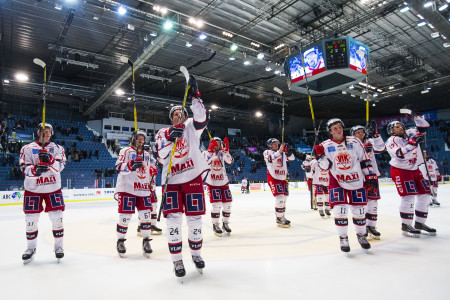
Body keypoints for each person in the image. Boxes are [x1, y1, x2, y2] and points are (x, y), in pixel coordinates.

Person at [156, 77, 209, 278]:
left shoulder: (191, 127)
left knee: (195, 220)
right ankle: (177, 260)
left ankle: (196, 254)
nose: (179, 116)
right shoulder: (162, 133)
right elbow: (161, 156)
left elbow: (202, 117)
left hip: (192, 178)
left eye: (182, 113)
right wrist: (171, 137)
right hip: (171, 182)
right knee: (173, 222)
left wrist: (196, 95)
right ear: (171, 118)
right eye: (176, 114)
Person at [314, 118, 375, 253]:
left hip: (357, 180)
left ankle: (361, 235)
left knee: (359, 211)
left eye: (340, 127)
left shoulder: (355, 141)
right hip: (337, 181)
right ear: (330, 131)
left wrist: (369, 176)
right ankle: (343, 238)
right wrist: (320, 156)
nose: (338, 129)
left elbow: (364, 160)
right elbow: (325, 167)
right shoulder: (325, 145)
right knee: (339, 211)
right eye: (335, 128)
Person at [19, 123, 67, 263]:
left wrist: (50, 160)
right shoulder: (27, 148)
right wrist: (35, 170)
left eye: (48, 132)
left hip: (53, 188)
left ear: (51, 134)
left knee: (57, 220)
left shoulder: (58, 149)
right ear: (37, 133)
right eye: (43, 131)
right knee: (31, 222)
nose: (46, 134)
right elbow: (23, 166)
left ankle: (59, 247)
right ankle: (30, 249)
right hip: (33, 189)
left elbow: (60, 167)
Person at [385, 108, 436, 237]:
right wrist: (412, 143)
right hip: (400, 170)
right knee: (408, 196)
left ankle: (419, 223)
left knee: (425, 194)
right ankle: (406, 225)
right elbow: (399, 154)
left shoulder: (410, 133)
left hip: (414, 169)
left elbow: (424, 127)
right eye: (396, 127)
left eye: (400, 125)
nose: (400, 127)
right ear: (391, 130)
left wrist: (415, 116)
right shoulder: (391, 141)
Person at [114, 131, 157, 258]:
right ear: (133, 139)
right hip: (128, 188)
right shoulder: (126, 151)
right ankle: (120, 241)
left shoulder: (146, 155)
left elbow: (146, 171)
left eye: (143, 138)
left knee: (146, 216)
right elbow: (117, 167)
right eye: (138, 138)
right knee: (125, 217)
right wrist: (130, 165)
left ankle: (146, 241)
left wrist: (151, 171)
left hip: (143, 189)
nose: (140, 140)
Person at [350, 123, 386, 240]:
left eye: (362, 131)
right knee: (362, 203)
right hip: (358, 177)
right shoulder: (350, 144)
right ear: (353, 135)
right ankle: (363, 226)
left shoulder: (370, 141)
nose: (361, 133)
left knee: (373, 202)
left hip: (372, 175)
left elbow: (381, 148)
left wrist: (375, 135)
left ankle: (372, 226)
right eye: (358, 132)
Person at [202, 137, 234, 237]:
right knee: (217, 205)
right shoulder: (205, 153)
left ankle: (225, 223)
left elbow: (230, 161)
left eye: (219, 143)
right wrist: (212, 155)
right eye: (215, 143)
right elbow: (204, 164)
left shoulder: (222, 153)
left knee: (228, 204)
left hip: (224, 182)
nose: (218, 145)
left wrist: (227, 151)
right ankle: (215, 224)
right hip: (212, 183)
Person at [263, 138, 295, 228]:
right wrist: (280, 151)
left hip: (283, 178)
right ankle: (279, 218)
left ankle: (282, 216)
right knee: (280, 197)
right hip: (273, 177)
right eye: (274, 143)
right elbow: (270, 159)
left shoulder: (282, 153)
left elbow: (292, 158)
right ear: (269, 145)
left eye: (277, 143)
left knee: (284, 198)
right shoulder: (267, 152)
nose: (276, 145)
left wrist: (289, 151)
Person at [137, 144, 162, 237]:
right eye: (148, 150)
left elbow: (157, 165)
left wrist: (155, 169)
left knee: (154, 206)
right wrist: (149, 171)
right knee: (144, 207)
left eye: (150, 150)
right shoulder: (140, 158)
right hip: (144, 187)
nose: (150, 151)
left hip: (153, 187)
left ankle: (152, 225)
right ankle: (140, 226)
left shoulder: (152, 159)